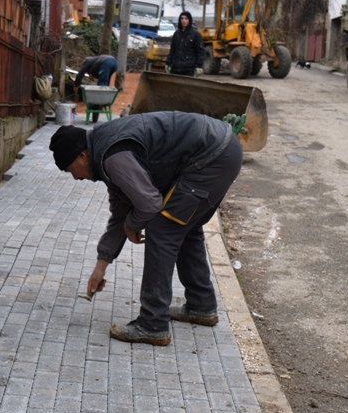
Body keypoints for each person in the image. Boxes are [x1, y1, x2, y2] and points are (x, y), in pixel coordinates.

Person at [49, 111, 243, 346]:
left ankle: (153, 325)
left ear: (82, 155)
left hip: (213, 155)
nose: (75, 178)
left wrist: (133, 225)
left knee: (163, 229)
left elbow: (149, 204)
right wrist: (101, 265)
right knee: (183, 226)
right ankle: (201, 306)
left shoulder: (113, 156)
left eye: (71, 170)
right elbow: (121, 212)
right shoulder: (105, 153)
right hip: (222, 148)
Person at [166, 12, 205, 77]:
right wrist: (168, 63)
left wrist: (199, 66)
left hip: (188, 69)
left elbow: (200, 51)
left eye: (186, 19)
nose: (184, 21)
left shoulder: (195, 35)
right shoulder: (177, 34)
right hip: (175, 68)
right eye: (182, 18)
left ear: (189, 20)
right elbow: (172, 50)